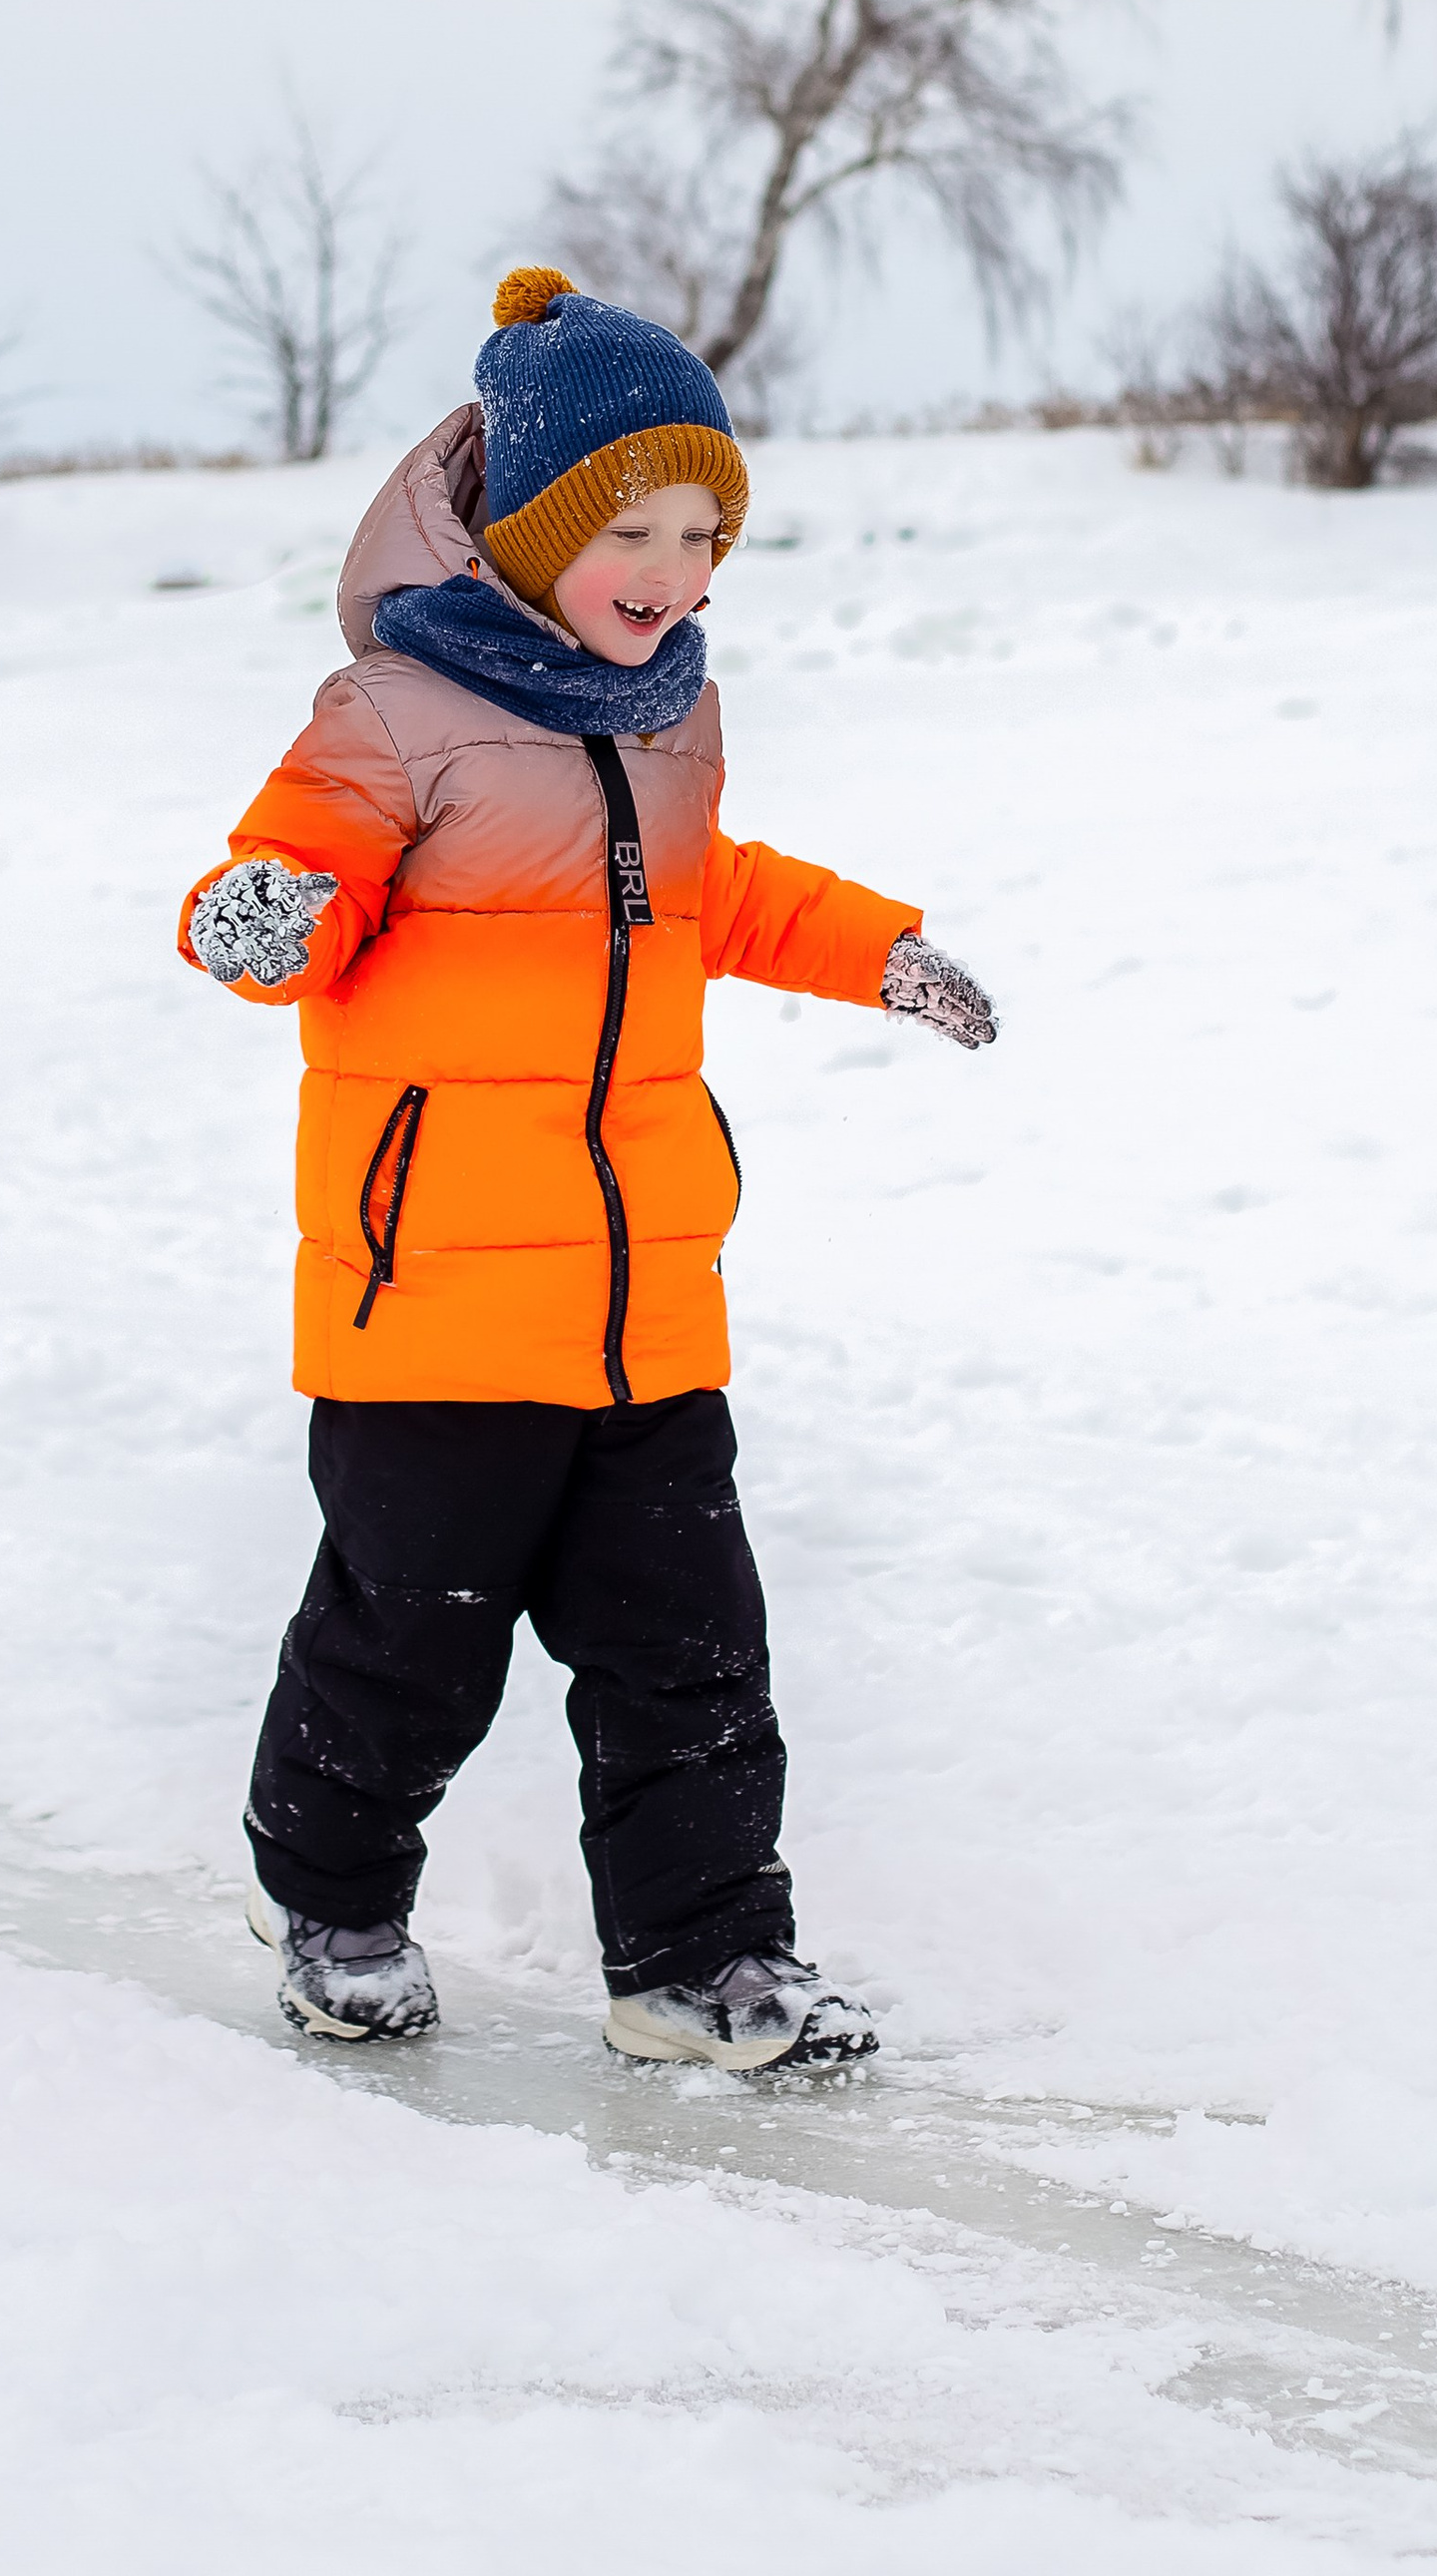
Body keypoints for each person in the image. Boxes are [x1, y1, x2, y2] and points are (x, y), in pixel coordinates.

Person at [179, 266, 997, 2072]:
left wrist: (875, 948)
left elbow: (715, 891)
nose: (675, 570)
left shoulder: (670, 719)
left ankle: (701, 1965)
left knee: (690, 1655)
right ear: (536, 531)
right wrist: (263, 917)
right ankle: (329, 1900)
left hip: (644, 1305)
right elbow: (297, 876)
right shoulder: (392, 717)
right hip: (437, 1309)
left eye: (705, 535)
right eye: (634, 529)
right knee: (407, 1645)